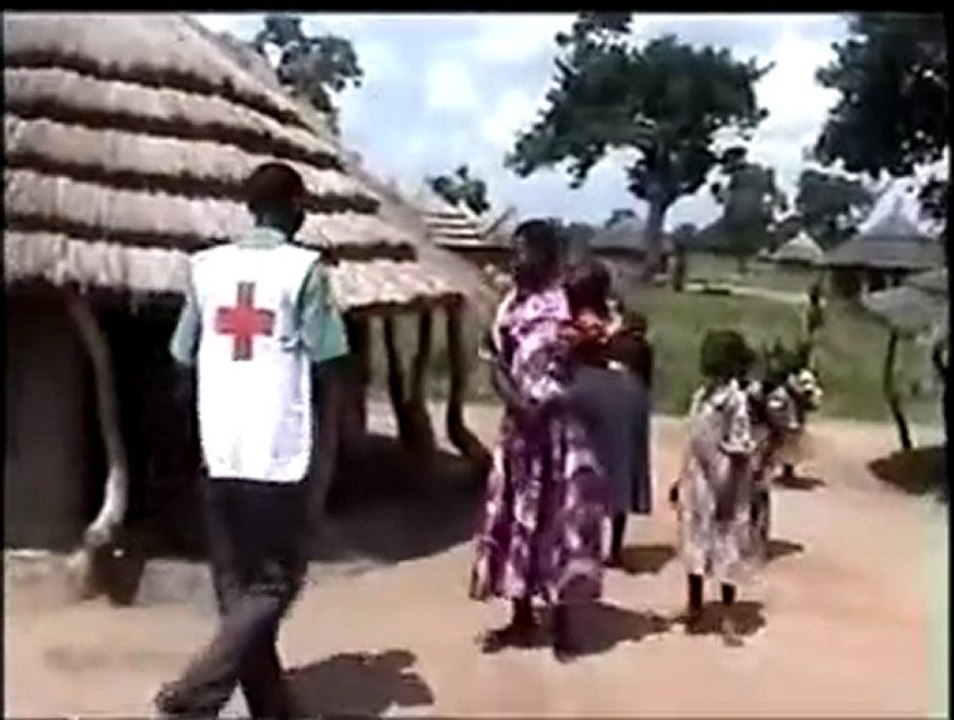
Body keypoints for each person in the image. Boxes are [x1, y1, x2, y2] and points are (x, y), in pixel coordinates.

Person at [155, 162, 349, 719]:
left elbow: (181, 358)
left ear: (249, 207)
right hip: (279, 449)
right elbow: (329, 363)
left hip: (220, 446)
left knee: (236, 586)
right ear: (295, 206)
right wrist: (331, 442)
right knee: (275, 583)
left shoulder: (206, 269)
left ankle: (271, 706)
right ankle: (195, 693)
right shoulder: (304, 270)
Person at [470, 219, 606, 662]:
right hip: (520, 430)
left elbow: (590, 359)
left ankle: (564, 623)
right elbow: (493, 361)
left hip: (562, 432)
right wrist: (518, 404)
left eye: (523, 251)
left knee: (561, 520)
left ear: (546, 257)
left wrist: (548, 399)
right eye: (513, 251)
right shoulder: (508, 307)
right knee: (516, 516)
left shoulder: (570, 306)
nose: (515, 260)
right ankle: (521, 614)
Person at [560, 260, 653, 568]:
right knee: (617, 472)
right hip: (626, 397)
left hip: (590, 395)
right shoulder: (618, 327)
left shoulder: (573, 322)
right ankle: (609, 547)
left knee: (582, 472)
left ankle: (584, 543)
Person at [672, 329, 757, 647]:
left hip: (726, 485)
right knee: (694, 542)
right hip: (697, 482)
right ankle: (694, 607)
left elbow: (740, 443)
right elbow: (692, 439)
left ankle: (728, 617)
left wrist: (728, 479)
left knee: (726, 546)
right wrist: (680, 479)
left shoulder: (735, 400)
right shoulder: (702, 395)